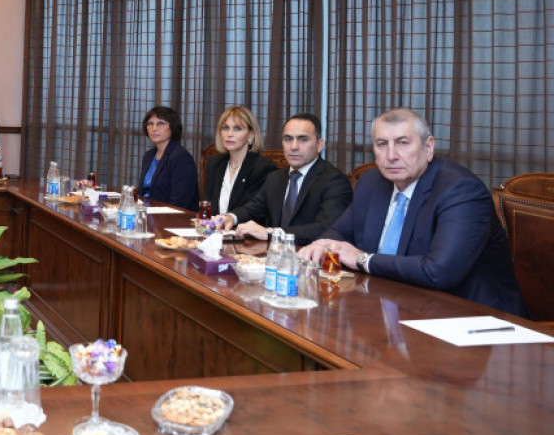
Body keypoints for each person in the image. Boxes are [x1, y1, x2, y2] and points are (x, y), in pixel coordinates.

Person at [299, 109, 526, 317]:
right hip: (394, 306)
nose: (391, 155)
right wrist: (321, 245)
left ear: (428, 147)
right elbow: (339, 233)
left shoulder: (461, 190)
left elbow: (438, 272)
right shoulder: (372, 182)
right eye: (382, 144)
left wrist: (362, 259)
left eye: (403, 143)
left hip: (473, 319)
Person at [217, 114, 352, 245]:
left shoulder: (334, 181)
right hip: (272, 255)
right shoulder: (275, 178)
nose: (294, 146)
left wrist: (270, 233)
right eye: (288, 139)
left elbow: (326, 228)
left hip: (309, 255)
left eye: (303, 140)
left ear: (319, 144)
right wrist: (231, 217)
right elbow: (252, 208)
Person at [202, 106, 277, 216]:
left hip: (243, 227)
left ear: (250, 135)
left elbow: (254, 211)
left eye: (237, 129)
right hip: (215, 226)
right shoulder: (215, 164)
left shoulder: (262, 168)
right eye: (225, 128)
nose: (230, 134)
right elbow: (207, 205)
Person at [138, 106, 199, 211]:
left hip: (171, 217)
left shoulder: (181, 157)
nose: (154, 128)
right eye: (150, 124)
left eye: (160, 123)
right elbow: (143, 193)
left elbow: (180, 202)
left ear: (173, 127)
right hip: (146, 213)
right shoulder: (149, 155)